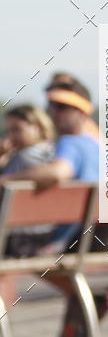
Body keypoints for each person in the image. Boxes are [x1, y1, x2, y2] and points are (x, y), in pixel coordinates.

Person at [0, 83, 108, 337]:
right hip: (97, 232)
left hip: (66, 237)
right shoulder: (98, 146)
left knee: (15, 249)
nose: (53, 112)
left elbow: (57, 173)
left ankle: (83, 297)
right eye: (51, 106)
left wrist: (6, 178)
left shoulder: (70, 144)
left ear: (81, 112)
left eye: (62, 107)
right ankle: (84, 300)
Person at [0, 105, 56, 256]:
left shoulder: (23, 158)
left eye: (17, 130)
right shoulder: (55, 155)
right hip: (48, 232)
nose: (11, 136)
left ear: (37, 128)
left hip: (19, 237)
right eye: (9, 131)